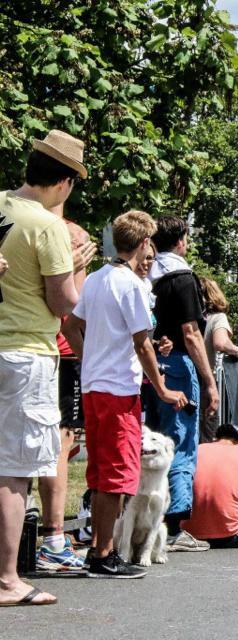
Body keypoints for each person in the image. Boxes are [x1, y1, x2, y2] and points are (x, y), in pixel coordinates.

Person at [62, 210, 187, 578]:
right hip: (118, 389)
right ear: (145, 243)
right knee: (118, 475)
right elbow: (142, 343)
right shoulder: (131, 284)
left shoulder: (99, 278)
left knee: (101, 473)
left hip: (94, 386)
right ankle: (103, 554)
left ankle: (100, 550)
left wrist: (91, 360)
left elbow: (71, 327)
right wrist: (162, 388)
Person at [0, 130, 85, 605]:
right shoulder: (48, 225)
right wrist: (73, 268)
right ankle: (7, 579)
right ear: (66, 182)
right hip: (26, 352)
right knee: (13, 471)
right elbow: (62, 304)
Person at [144, 215, 219, 552]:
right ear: (181, 241)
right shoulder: (182, 277)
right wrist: (208, 381)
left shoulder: (144, 274)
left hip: (148, 361)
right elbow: (190, 333)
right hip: (176, 364)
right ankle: (175, 525)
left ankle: (148, 519)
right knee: (181, 442)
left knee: (148, 440)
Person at [37, 201, 96, 572]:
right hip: (58, 352)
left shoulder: (9, 219)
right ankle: (53, 539)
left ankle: (43, 536)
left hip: (22, 346)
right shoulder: (73, 235)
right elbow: (72, 306)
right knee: (59, 445)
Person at [199, 277, 238, 442]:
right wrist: (237, 350)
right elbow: (220, 342)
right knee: (208, 432)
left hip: (188, 376)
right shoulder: (217, 318)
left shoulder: (190, 320)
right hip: (208, 379)